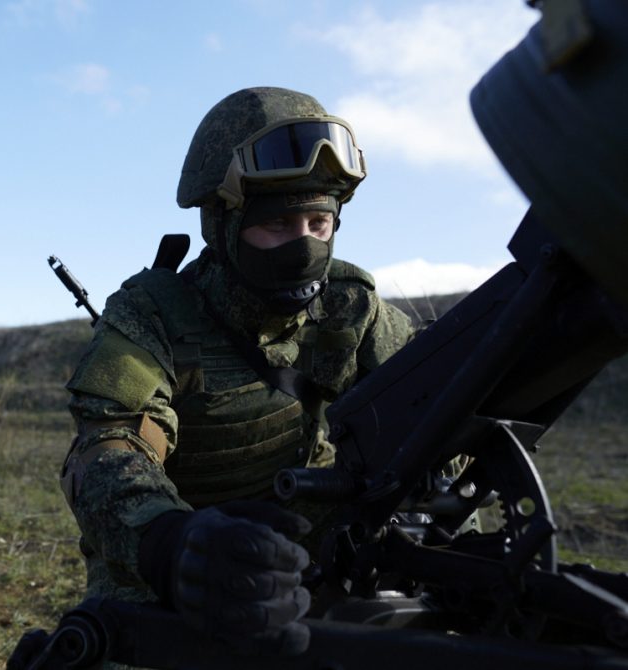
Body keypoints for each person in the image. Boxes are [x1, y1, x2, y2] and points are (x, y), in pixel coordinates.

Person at [59, 87, 415, 656]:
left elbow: (434, 401)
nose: (304, 246)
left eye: (319, 222)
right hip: (181, 566)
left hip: (312, 556)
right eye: (278, 224)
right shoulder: (154, 313)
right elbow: (105, 452)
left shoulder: (351, 306)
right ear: (221, 222)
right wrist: (171, 544)